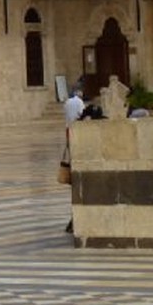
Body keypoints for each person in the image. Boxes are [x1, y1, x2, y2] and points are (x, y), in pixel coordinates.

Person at [62, 87, 86, 234]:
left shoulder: (66, 102)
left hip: (68, 129)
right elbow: (81, 115)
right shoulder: (79, 102)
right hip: (77, 128)